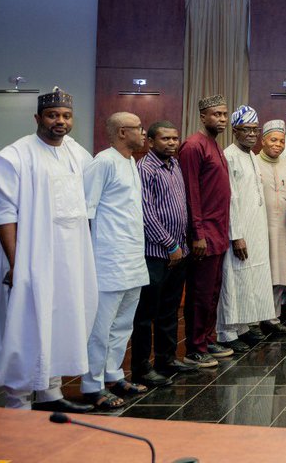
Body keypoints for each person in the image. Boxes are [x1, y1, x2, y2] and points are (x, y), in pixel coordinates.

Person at [0, 88, 96, 412]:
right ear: (37, 118)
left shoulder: (76, 154)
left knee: (62, 320)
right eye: (52, 115)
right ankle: (17, 400)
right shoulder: (14, 157)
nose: (60, 121)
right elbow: (3, 215)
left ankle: (51, 392)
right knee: (23, 326)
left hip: (68, 261)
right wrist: (17, 265)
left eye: (66, 115)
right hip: (30, 260)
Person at [81, 111, 150, 410]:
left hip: (133, 255)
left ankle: (114, 374)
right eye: (139, 128)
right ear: (123, 132)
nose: (143, 133)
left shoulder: (131, 161)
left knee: (123, 322)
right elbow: (86, 211)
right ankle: (92, 384)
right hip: (108, 257)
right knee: (101, 325)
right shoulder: (104, 162)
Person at [131, 121, 193, 386]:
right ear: (151, 142)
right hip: (156, 252)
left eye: (174, 138)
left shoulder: (175, 164)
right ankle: (142, 368)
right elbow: (146, 213)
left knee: (169, 310)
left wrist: (180, 246)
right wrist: (170, 244)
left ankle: (166, 358)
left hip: (179, 251)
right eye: (165, 139)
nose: (171, 143)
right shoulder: (145, 169)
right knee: (146, 314)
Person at [178, 95, 234, 365]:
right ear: (203, 116)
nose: (221, 119)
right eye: (216, 114)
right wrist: (197, 234)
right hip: (203, 235)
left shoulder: (214, 144)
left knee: (212, 292)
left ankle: (208, 340)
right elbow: (191, 194)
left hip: (219, 233)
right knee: (200, 293)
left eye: (224, 114)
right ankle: (194, 348)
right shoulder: (193, 146)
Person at [218, 106, 277, 350]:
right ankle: (226, 332)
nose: (252, 135)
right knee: (235, 278)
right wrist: (237, 235)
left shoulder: (252, 155)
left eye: (255, 130)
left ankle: (243, 327)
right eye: (247, 130)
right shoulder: (229, 155)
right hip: (239, 230)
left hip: (256, 228)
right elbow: (230, 199)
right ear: (234, 131)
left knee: (251, 278)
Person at [254, 120, 286, 334]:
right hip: (259, 227)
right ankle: (258, 317)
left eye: (281, 141)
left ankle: (275, 317)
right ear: (263, 140)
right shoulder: (253, 162)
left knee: (280, 271)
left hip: (282, 227)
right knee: (262, 271)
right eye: (273, 140)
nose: (278, 145)